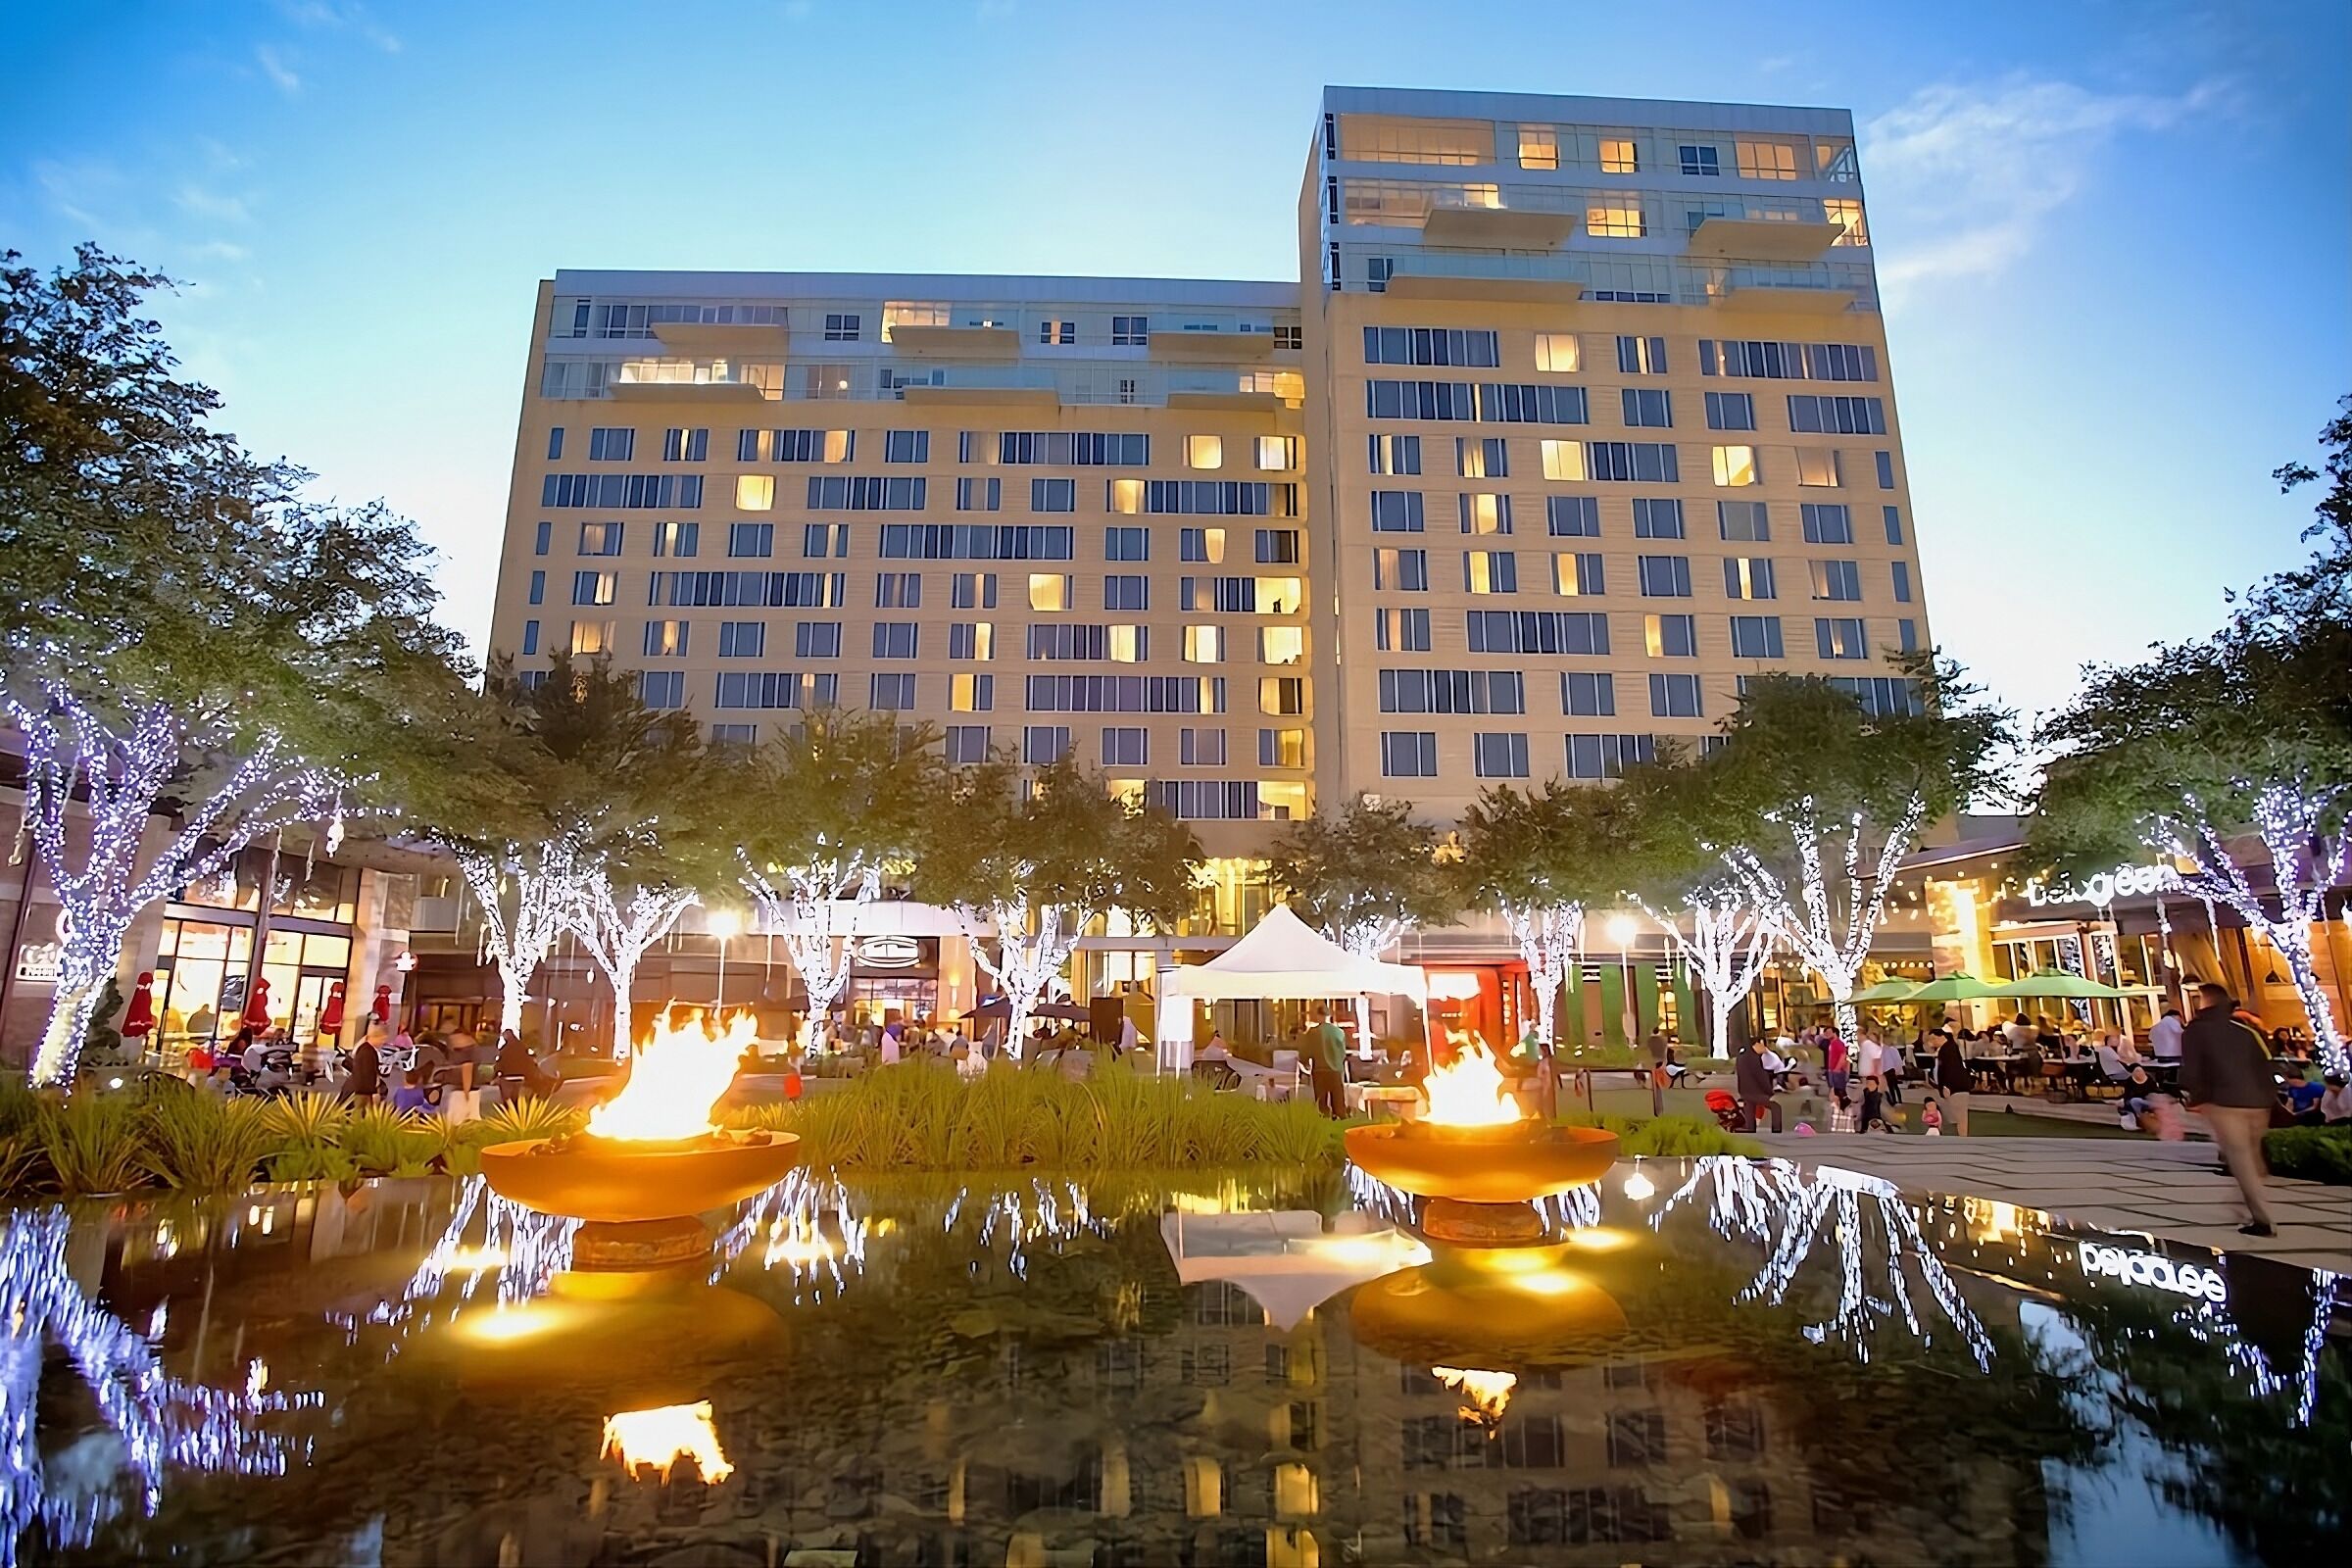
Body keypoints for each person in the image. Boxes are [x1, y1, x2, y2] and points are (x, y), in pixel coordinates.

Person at [2180, 982, 2280, 1236]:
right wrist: (2268, 1096)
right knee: (2250, 1155)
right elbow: (2267, 1063)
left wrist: (2195, 1098)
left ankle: (2262, 1218)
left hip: (2225, 1101)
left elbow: (2192, 1070)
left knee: (2240, 1159)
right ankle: (2251, 1193)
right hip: (2258, 1102)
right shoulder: (2246, 1030)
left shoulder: (2196, 1030)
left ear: (2204, 1002)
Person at [1306, 1004, 1348, 1119]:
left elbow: (1307, 1052)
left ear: (1318, 1016)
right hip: (1335, 1071)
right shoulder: (1339, 1032)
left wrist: (1305, 1061)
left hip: (1319, 1070)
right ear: (1329, 1016)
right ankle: (1340, 1121)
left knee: (1321, 1104)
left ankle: (1324, 1123)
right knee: (1338, 1102)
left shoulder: (1313, 1032)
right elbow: (1343, 1053)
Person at [1735, 1037, 1782, 1134]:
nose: (1765, 1048)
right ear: (1757, 1044)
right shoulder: (1755, 1059)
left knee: (1750, 1107)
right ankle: (1776, 1129)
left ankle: (1750, 1127)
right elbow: (1761, 1077)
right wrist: (1769, 1091)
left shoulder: (1742, 1055)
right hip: (1756, 1091)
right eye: (1763, 1045)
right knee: (1775, 1107)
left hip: (1744, 1090)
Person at [1932, 1028, 1971, 1137]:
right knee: (1959, 1116)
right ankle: (1961, 1137)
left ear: (1941, 1037)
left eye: (1934, 1038)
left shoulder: (1948, 1050)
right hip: (1956, 1086)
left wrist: (1946, 1086)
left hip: (1954, 1087)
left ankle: (1961, 1138)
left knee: (1958, 1116)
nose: (1932, 1042)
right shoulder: (1947, 1048)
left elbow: (1951, 1069)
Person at [346, 1021, 387, 1102]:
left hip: (363, 1092)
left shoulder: (366, 1049)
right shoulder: (367, 1052)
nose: (383, 1042)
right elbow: (366, 1075)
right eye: (382, 1039)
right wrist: (373, 1093)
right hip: (363, 1093)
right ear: (375, 1037)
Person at [1824, 1031, 1851, 1105]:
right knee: (1835, 1090)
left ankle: (1844, 1104)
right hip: (1833, 1070)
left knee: (1838, 1091)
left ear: (1835, 1033)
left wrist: (1837, 1068)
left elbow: (1843, 1055)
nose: (1826, 1034)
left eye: (1829, 1032)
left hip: (1837, 1071)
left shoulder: (1838, 1043)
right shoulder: (1831, 1044)